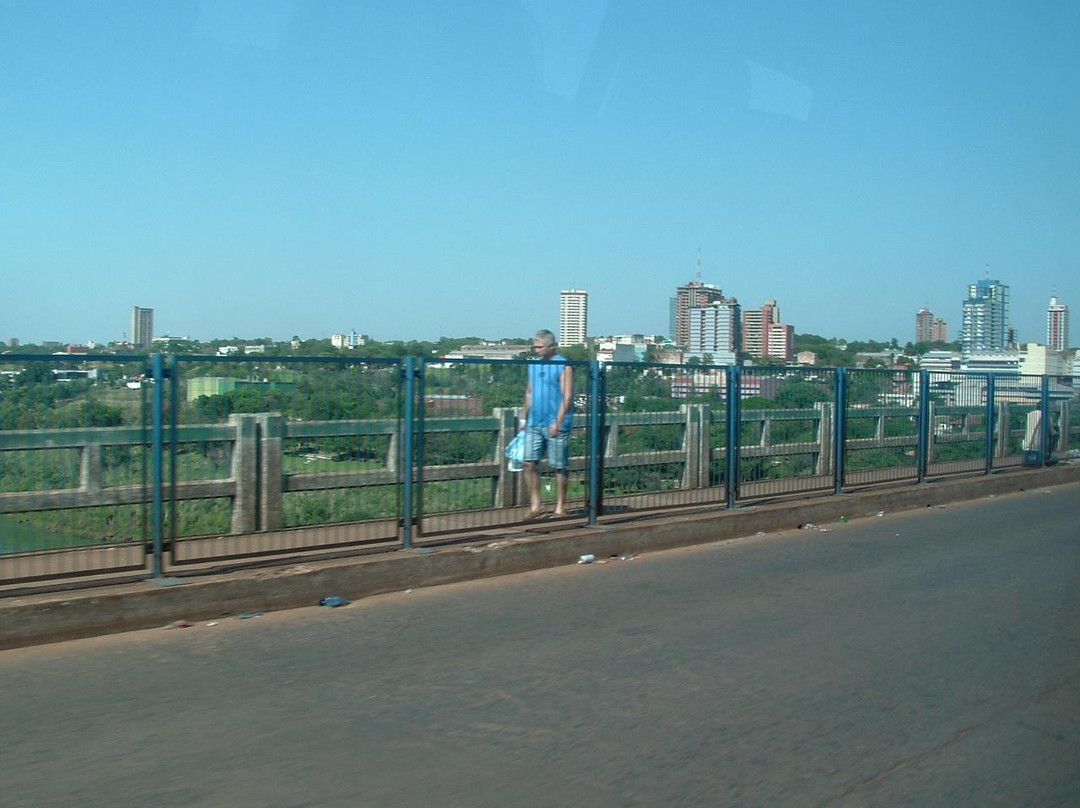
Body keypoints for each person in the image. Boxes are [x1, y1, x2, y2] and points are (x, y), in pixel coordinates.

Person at [520, 329, 573, 519]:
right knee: (529, 463)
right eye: (535, 346)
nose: (536, 350)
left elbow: (567, 396)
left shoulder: (563, 365)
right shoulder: (533, 365)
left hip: (556, 422)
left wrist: (558, 422)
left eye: (540, 347)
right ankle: (536, 505)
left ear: (551, 346)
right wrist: (523, 418)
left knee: (559, 466)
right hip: (534, 421)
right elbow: (528, 392)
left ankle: (560, 506)